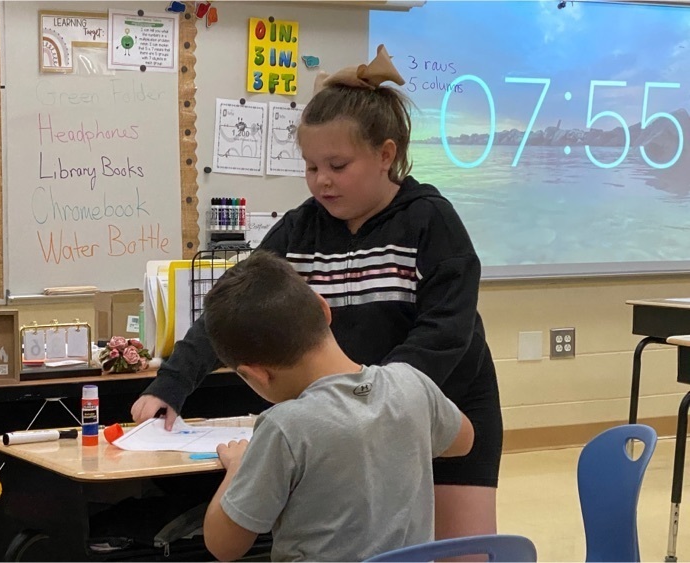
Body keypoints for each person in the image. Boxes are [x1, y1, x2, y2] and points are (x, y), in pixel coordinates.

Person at [132, 44, 502, 540]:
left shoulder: (431, 222)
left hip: (444, 405)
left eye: (337, 165)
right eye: (310, 167)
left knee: (461, 552)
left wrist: (381, 401)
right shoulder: (299, 229)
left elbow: (445, 331)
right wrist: (171, 383)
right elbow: (234, 310)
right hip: (349, 419)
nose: (322, 181)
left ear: (386, 155)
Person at [199, 250, 474, 562]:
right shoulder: (411, 382)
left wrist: (238, 467)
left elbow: (223, 546)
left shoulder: (284, 427)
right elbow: (463, 440)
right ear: (323, 308)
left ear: (255, 374)